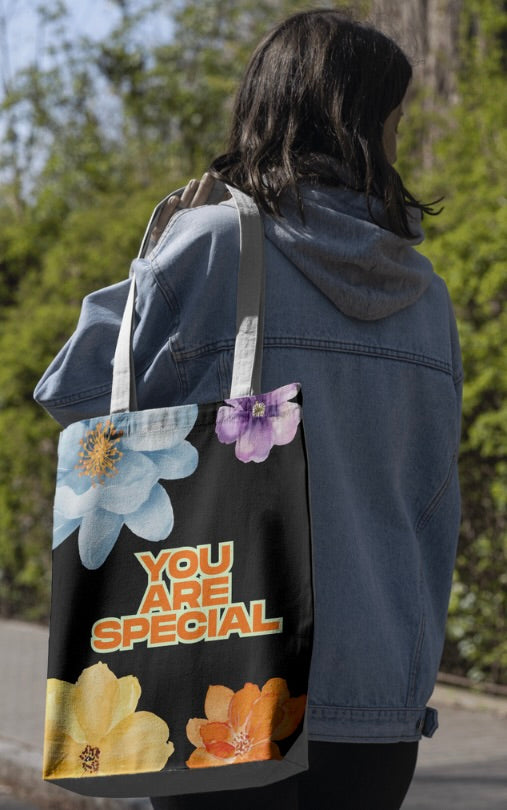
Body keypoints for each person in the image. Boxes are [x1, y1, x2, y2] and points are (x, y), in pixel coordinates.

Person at [34, 8, 463, 810]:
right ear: (359, 126)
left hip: (218, 684)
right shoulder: (424, 296)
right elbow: (430, 496)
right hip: (376, 695)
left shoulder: (211, 247)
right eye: (392, 120)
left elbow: (80, 396)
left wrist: (155, 254)